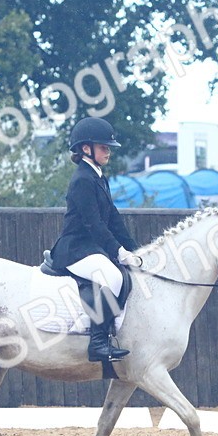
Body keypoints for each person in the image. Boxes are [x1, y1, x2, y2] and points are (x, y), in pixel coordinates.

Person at [49, 117, 143, 363]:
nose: (108, 151)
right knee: (111, 276)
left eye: (108, 147)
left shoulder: (99, 177)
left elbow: (112, 218)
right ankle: (98, 343)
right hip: (75, 248)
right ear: (85, 149)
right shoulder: (82, 179)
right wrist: (119, 251)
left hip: (91, 247)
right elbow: (94, 224)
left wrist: (133, 248)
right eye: (103, 147)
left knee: (122, 272)